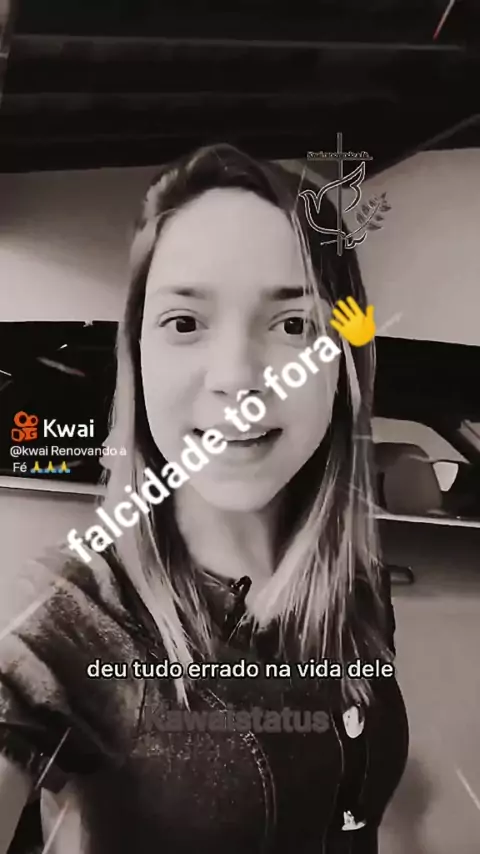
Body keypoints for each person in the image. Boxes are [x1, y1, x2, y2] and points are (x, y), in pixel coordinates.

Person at [0, 144, 408, 854]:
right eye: (185, 323)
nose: (237, 378)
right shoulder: (67, 616)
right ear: (139, 353)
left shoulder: (353, 586)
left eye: (293, 325)